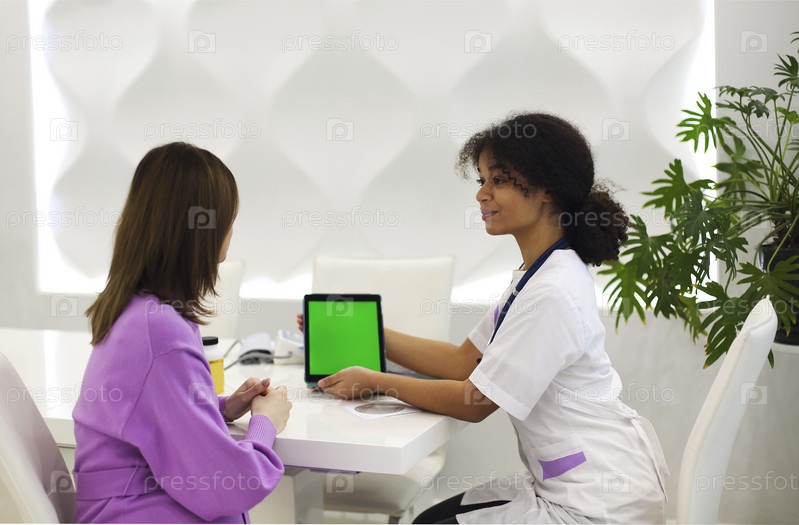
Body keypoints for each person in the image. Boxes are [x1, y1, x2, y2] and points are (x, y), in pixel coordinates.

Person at [311, 113, 669, 523]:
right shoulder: (537, 273)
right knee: (427, 521)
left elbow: (476, 401)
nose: (482, 194)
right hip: (571, 481)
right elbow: (462, 361)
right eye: (482, 180)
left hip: (598, 502)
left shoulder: (552, 290)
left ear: (547, 189)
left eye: (498, 180)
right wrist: (362, 332)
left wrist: (377, 381)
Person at [73, 142, 291, 523]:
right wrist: (265, 422)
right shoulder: (160, 332)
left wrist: (217, 407)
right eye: (229, 219)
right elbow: (227, 485)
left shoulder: (135, 310)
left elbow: (148, 415)